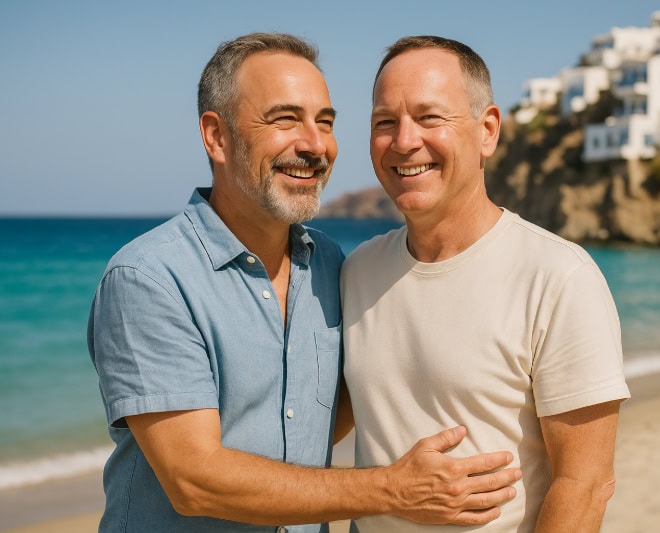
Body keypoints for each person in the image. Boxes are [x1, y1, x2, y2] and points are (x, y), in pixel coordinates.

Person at [88, 33, 521, 533]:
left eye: (326, 122)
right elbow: (194, 481)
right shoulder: (150, 278)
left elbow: (333, 410)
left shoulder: (332, 265)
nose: (314, 145)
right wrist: (393, 489)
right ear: (217, 137)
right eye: (285, 119)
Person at [341, 35, 631, 532]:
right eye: (384, 122)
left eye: (430, 117)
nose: (404, 141)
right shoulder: (356, 271)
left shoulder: (560, 276)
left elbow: (585, 486)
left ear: (488, 131)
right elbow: (318, 418)